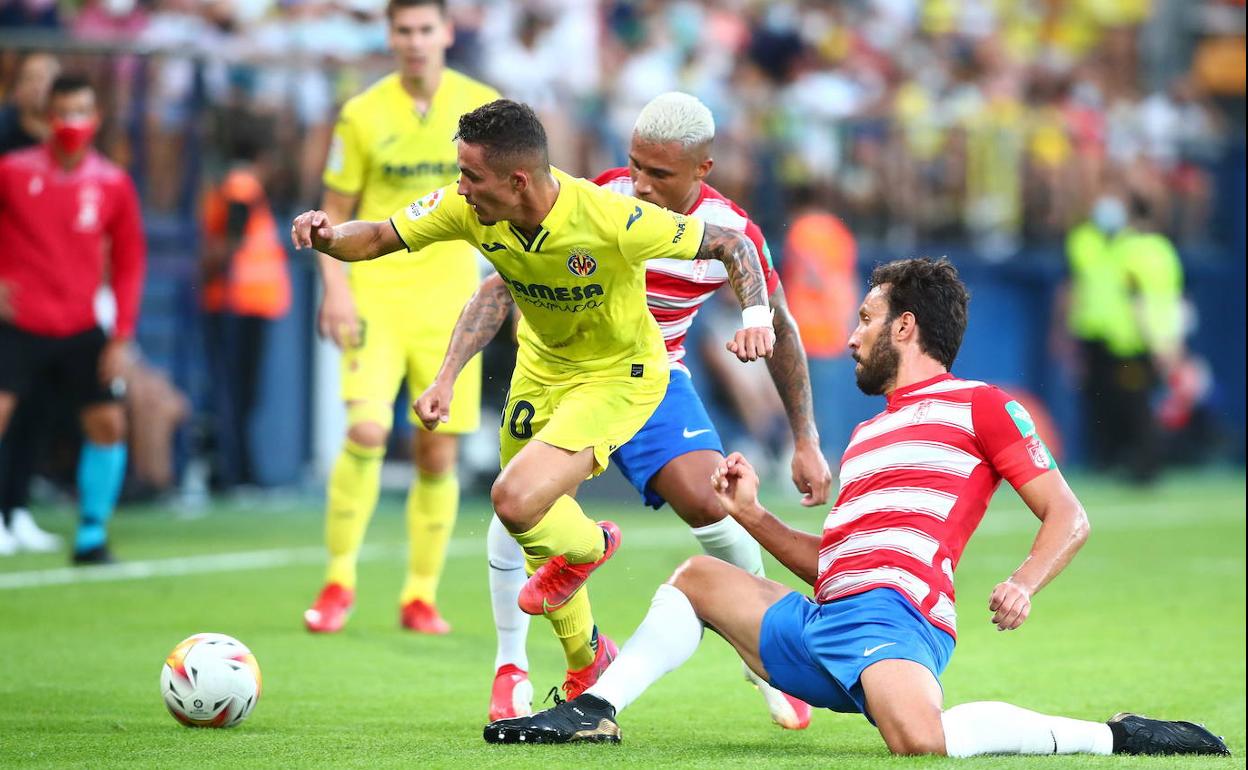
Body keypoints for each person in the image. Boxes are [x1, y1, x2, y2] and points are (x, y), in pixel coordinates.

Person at [483, 257, 1230, 760]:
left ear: (907, 327)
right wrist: (750, 515)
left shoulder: (985, 407)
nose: (851, 336)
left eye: (867, 319)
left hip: (895, 619)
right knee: (697, 580)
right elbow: (832, 567)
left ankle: (1116, 736)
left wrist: (1023, 584)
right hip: (824, 622)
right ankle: (597, 709)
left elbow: (1069, 516)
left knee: (918, 743)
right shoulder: (869, 434)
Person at [292, 98, 775, 713]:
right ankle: (587, 661)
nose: (460, 187)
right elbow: (380, 237)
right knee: (533, 529)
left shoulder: (611, 217)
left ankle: (596, 549)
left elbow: (734, 245)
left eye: (471, 176)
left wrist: (756, 318)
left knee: (516, 499)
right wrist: (329, 238)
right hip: (540, 369)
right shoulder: (467, 207)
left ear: (517, 180)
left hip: (617, 377)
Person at [483, 92, 831, 728]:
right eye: (635, 164)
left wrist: (804, 438)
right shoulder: (593, 200)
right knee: (518, 501)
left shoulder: (733, 234)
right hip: (563, 375)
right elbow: (500, 284)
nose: (640, 183)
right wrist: (450, 372)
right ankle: (512, 667)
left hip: (652, 378)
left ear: (703, 170)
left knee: (713, 500)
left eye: (660, 173)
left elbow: (778, 321)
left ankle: (765, 662)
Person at [301, 0, 500, 635]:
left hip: (450, 302)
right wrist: (334, 288)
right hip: (377, 293)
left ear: (446, 32)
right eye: (403, 31)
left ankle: (420, 594)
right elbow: (332, 212)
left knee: (436, 453)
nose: (414, 42)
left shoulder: (482, 108)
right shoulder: (362, 113)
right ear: (389, 37)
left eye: (424, 29)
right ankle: (337, 582)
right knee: (364, 432)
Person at [0, 73, 146, 565]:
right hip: (17, 322)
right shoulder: (12, 172)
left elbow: (129, 262)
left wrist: (121, 335)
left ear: (97, 118)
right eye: (64, 112)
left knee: (107, 422)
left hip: (81, 324)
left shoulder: (112, 183)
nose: (73, 123)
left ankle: (91, 536)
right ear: (47, 117)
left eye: (82, 111)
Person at [199, 112, 291, 490]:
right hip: (238, 302)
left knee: (240, 392)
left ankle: (238, 469)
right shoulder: (243, 184)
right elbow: (230, 241)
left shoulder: (238, 184)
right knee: (239, 392)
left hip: (244, 302)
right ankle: (236, 471)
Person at [0, 51, 63, 555]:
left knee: (38, 408)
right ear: (15, 86)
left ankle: (17, 509)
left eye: (50, 80)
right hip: (10, 297)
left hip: (56, 298)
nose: (42, 88)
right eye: (34, 78)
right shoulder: (5, 143)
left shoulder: (69, 148)